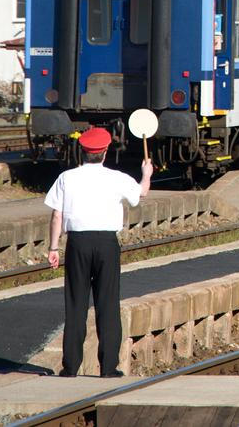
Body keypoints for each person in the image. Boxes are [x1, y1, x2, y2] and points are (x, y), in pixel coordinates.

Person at [45, 127, 153, 377]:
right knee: (108, 304)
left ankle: (70, 367)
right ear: (105, 152)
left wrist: (53, 247)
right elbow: (142, 192)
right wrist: (146, 173)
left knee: (75, 305)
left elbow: (56, 215)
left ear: (82, 151)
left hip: (77, 244)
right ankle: (108, 368)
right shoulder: (117, 178)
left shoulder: (66, 177)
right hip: (106, 244)